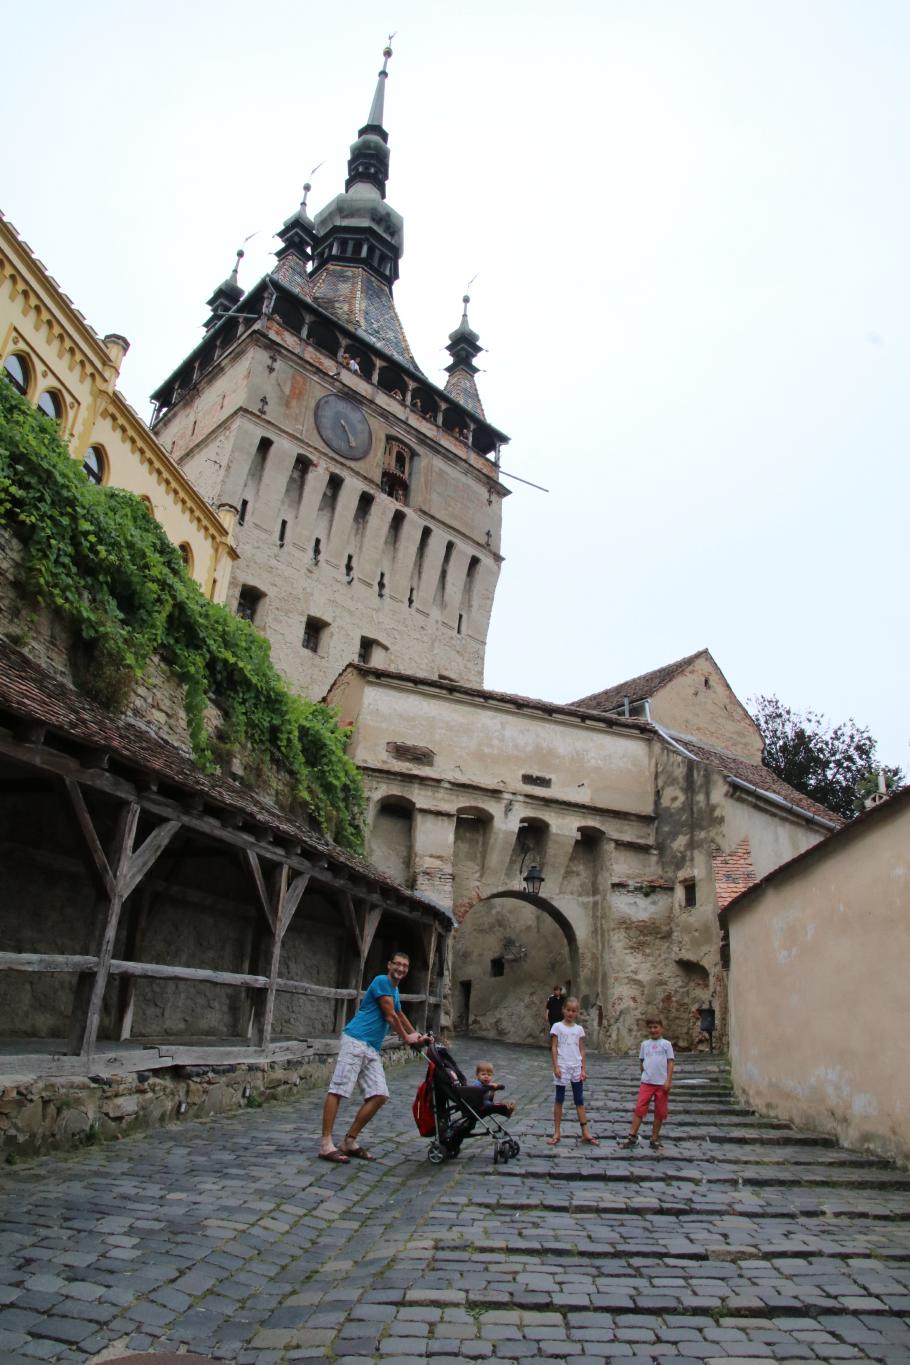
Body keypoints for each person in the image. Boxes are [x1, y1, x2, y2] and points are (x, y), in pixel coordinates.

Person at [319, 951, 427, 1163]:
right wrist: (407, 1037)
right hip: (356, 1040)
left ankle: (349, 1141)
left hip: (371, 1048)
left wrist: (416, 1034)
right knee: (338, 1089)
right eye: (397, 964)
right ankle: (325, 1144)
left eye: (405, 966)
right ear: (389, 965)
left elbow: (399, 1013)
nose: (401, 968)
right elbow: (390, 1016)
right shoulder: (381, 981)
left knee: (379, 1094)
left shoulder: (394, 990)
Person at [617, 1016, 675, 1152]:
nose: (653, 1030)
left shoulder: (666, 1044)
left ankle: (654, 1138)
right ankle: (632, 1136)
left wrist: (668, 1080)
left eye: (656, 1027)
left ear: (661, 1028)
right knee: (640, 1109)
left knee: (660, 1112)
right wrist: (644, 1075)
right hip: (647, 1083)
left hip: (661, 1083)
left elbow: (670, 1062)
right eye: (650, 1027)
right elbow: (642, 1061)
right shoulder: (645, 1045)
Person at [547, 997, 598, 1146]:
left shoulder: (579, 1029)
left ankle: (585, 1132)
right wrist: (556, 1066)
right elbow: (554, 1047)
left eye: (574, 1011)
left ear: (577, 1012)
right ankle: (557, 1131)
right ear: (563, 1010)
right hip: (562, 1065)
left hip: (576, 1066)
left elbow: (582, 1049)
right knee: (559, 1099)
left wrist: (583, 1069)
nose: (570, 1013)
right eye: (568, 1010)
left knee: (579, 1099)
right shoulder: (557, 1027)